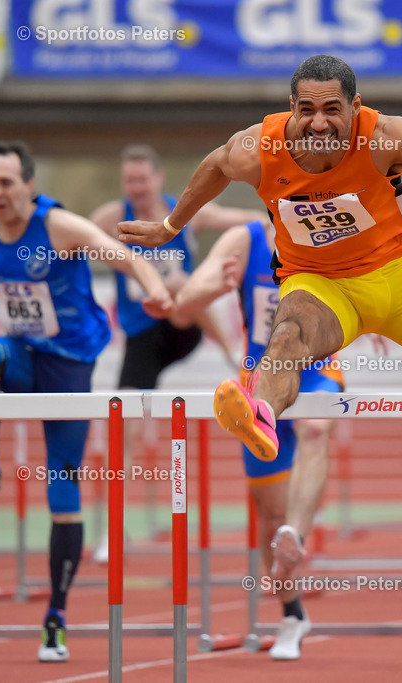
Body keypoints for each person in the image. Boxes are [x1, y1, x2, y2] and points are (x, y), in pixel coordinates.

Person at [118, 54, 402, 653]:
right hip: (319, 286)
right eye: (306, 109)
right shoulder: (258, 147)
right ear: (292, 106)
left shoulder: (380, 135)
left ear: (353, 105)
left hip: (398, 281)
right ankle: (258, 414)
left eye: (331, 109)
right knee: (288, 337)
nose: (318, 122)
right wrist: (170, 226)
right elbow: (215, 167)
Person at [0, 141, 172, 663]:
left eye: (7, 183)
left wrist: (155, 288)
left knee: (62, 499)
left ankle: (56, 618)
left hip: (69, 369)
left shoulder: (59, 227)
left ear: (29, 186)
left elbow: (124, 257)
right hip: (23, 356)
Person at [172, 219, 341, 660]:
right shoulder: (242, 241)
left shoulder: (327, 231)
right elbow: (184, 303)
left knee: (316, 427)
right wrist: (213, 288)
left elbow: (379, 282)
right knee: (267, 518)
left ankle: (296, 535)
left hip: (317, 373)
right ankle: (293, 615)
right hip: (259, 385)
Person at [89, 144, 264, 562]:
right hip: (141, 338)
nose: (136, 187)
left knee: (177, 282)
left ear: (158, 178)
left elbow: (246, 220)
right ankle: (113, 533)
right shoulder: (110, 219)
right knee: (123, 428)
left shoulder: (185, 213)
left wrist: (272, 224)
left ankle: (237, 356)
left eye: (142, 180)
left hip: (183, 324)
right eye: (129, 181)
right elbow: (67, 238)